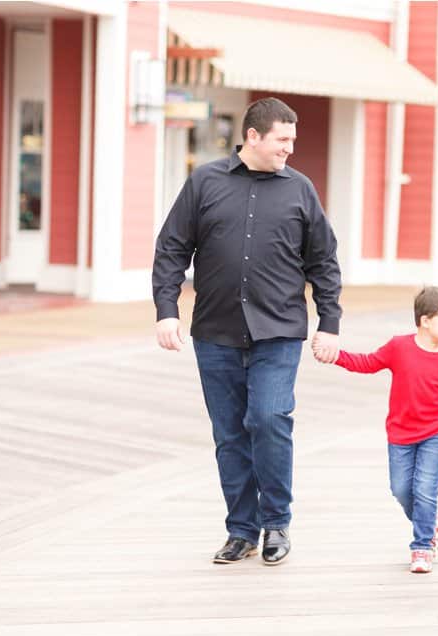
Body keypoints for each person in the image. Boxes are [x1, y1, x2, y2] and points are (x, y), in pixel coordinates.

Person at [152, 97, 342, 567]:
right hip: (214, 332)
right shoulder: (204, 182)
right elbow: (172, 248)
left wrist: (330, 323)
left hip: (277, 332)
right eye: (283, 140)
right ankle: (241, 531)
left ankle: (276, 522)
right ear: (253, 137)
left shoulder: (300, 190)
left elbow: (324, 261)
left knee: (269, 419)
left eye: (292, 141)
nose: (289, 150)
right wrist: (166, 309)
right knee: (229, 434)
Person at [317, 287, 438, 574]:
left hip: (435, 434)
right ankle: (429, 520)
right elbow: (368, 363)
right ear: (425, 321)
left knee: (425, 490)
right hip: (400, 433)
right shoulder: (399, 347)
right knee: (400, 489)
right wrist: (337, 356)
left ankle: (422, 546)